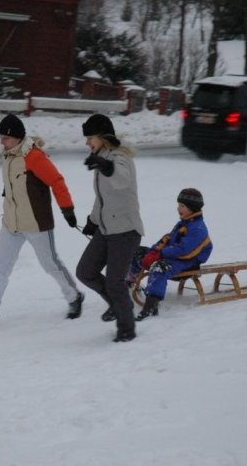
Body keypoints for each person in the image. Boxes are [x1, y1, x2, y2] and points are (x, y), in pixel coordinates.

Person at [0, 114, 84, 327]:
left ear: (17, 137)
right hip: (11, 222)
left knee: (50, 264)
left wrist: (68, 210)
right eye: (0, 137)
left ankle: (74, 296)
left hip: (36, 222)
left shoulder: (34, 157)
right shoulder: (8, 155)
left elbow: (56, 181)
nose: (1, 142)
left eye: (5, 137)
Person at [75, 114, 144, 342]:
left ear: (103, 137)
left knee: (115, 282)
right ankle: (116, 305)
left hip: (125, 230)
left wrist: (106, 166)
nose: (87, 143)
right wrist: (93, 220)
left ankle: (127, 329)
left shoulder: (120, 157)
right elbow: (103, 198)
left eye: (90, 138)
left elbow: (121, 179)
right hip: (106, 229)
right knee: (85, 271)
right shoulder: (101, 157)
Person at [126, 188, 213, 321]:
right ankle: (129, 282)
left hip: (188, 263)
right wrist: (154, 251)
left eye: (182, 206)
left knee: (159, 267)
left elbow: (185, 250)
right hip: (173, 258)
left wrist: (160, 254)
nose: (178, 208)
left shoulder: (198, 228)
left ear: (192, 207)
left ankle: (151, 305)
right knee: (137, 252)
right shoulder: (183, 223)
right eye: (178, 205)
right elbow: (167, 239)